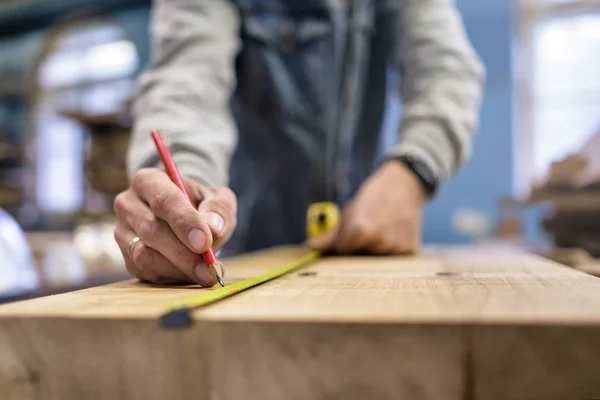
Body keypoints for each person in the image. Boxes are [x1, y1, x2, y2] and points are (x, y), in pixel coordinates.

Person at [114, 0, 485, 286]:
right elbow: (185, 85)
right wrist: (180, 198)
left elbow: (448, 74)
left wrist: (412, 172)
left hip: (364, 254)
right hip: (244, 254)